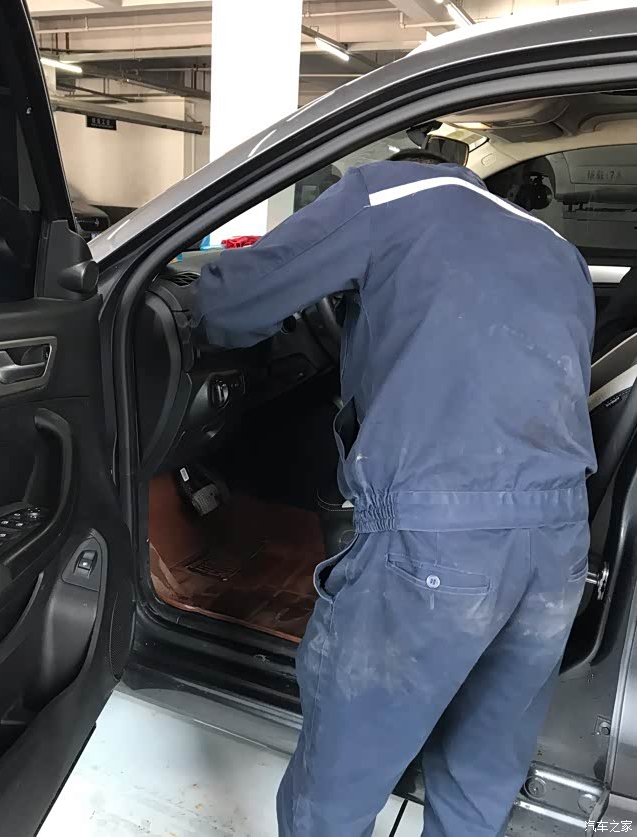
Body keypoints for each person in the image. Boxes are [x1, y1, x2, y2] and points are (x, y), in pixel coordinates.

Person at [192, 148, 596, 837]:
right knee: (477, 783)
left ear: (406, 163)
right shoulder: (558, 249)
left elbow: (231, 303)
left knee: (337, 792)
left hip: (439, 544)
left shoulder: (390, 193)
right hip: (558, 545)